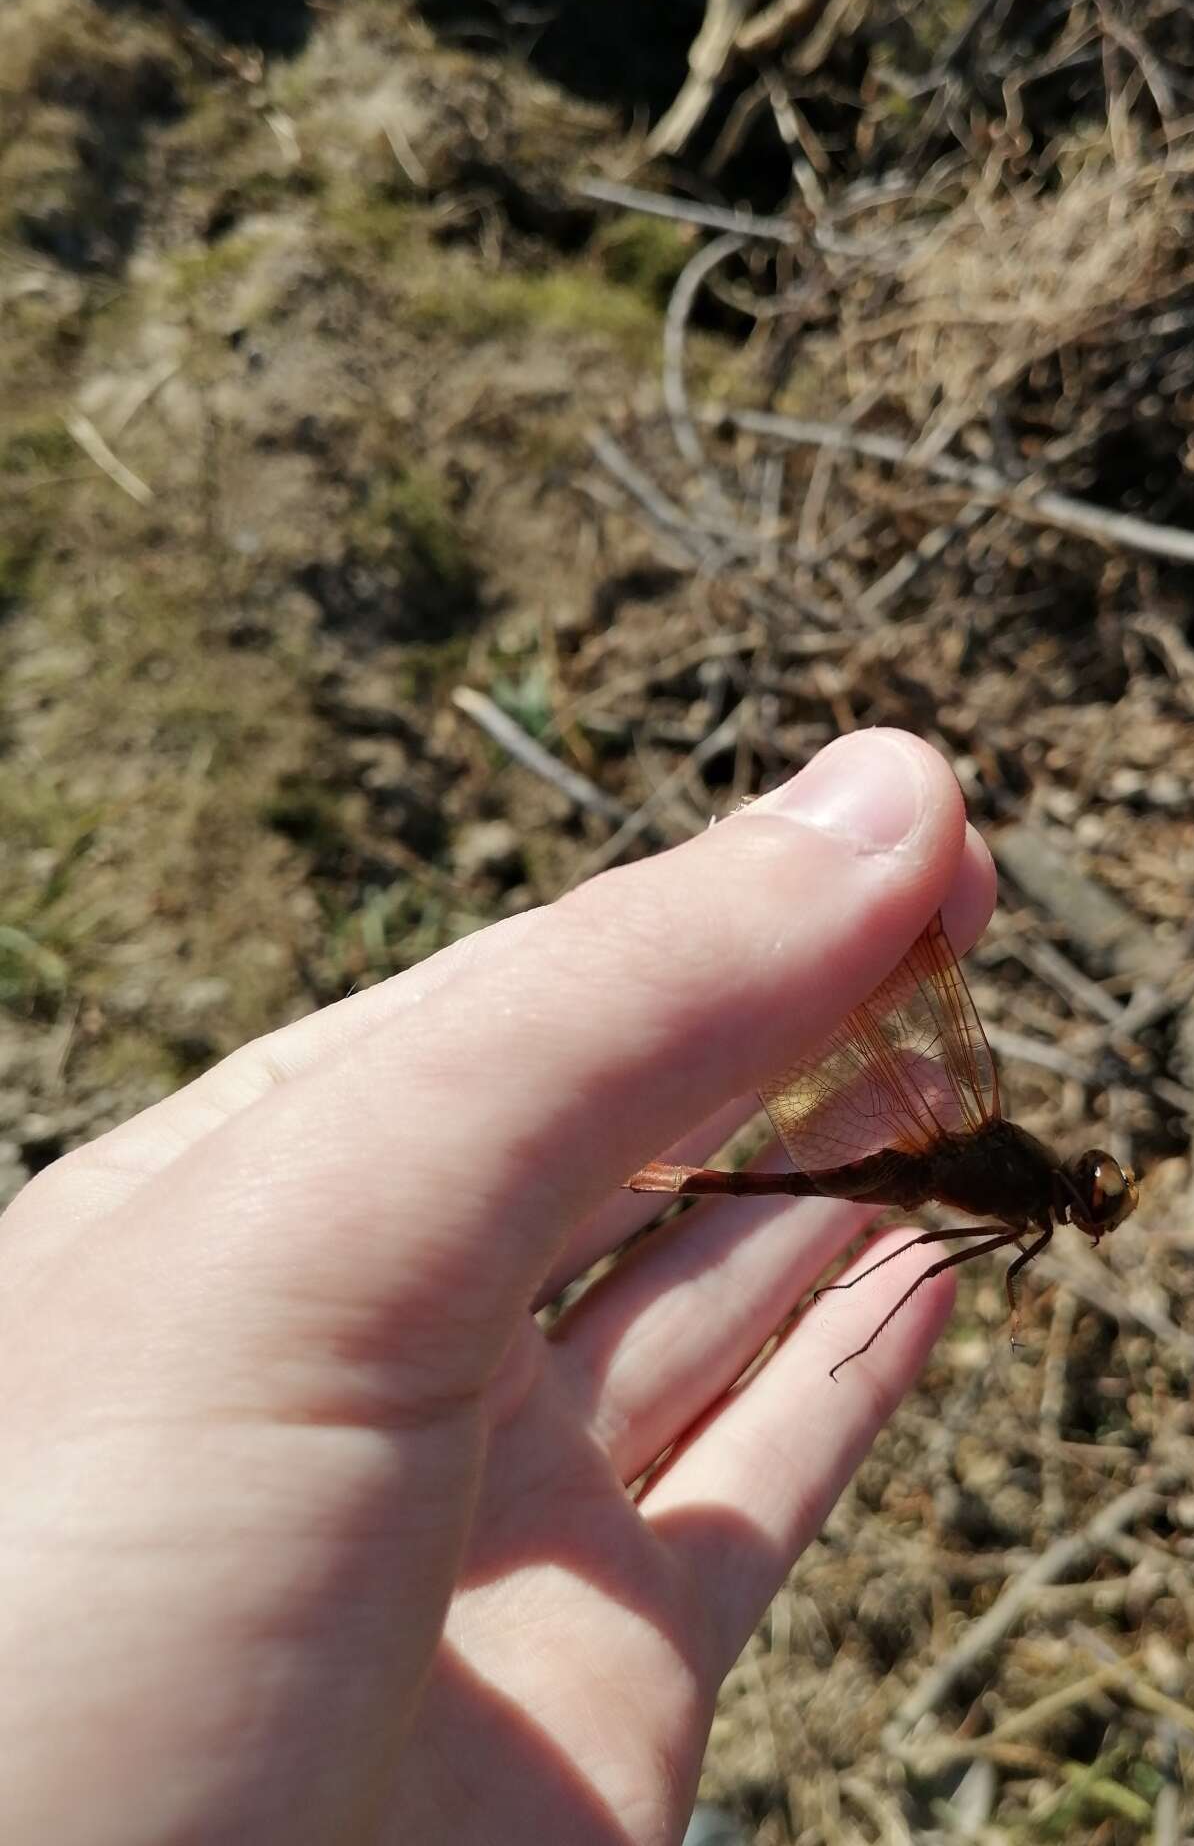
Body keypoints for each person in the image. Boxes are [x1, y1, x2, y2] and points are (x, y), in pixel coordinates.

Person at [0, 730, 996, 1844]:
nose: (1087, 1200)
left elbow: (933, 1244)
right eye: (1091, 1194)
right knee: (873, 1240)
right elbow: (929, 1245)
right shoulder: (988, 1146)